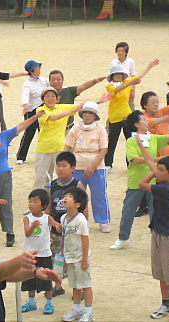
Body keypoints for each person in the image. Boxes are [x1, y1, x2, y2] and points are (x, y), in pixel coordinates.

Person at [110, 111, 169, 250]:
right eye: (143, 119)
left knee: (155, 213)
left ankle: (157, 238)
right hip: (136, 181)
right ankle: (123, 238)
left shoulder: (153, 138)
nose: (147, 121)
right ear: (136, 124)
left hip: (155, 181)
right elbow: (135, 159)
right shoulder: (131, 141)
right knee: (128, 211)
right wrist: (155, 160)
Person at [136, 138, 169, 322]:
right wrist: (143, 148)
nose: (157, 172)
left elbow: (142, 184)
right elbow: (151, 163)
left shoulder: (166, 190)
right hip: (157, 233)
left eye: (162, 170)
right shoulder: (162, 182)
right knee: (161, 273)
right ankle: (165, 303)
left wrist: (152, 174)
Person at [0, 109, 45, 247]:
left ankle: (9, 233)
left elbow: (21, 126)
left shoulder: (4, 135)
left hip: (5, 177)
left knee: (6, 205)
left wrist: (36, 116)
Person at [104, 59, 160, 172]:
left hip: (127, 117)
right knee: (112, 141)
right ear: (112, 76)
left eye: (120, 74)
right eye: (116, 74)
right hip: (114, 117)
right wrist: (130, 83)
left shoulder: (127, 84)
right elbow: (117, 90)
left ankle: (130, 162)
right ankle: (108, 164)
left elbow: (139, 76)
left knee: (130, 140)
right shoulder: (109, 86)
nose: (119, 76)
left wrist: (150, 65)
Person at [44, 152, 87, 296]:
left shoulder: (78, 186)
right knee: (56, 260)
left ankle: (79, 289)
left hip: (73, 232)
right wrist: (52, 226)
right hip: (57, 230)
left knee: (74, 261)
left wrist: (81, 228)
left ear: (73, 168)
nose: (60, 169)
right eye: (58, 166)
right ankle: (57, 286)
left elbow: (84, 211)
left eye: (64, 166)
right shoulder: (52, 185)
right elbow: (48, 209)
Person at [64, 102, 111, 232]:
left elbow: (103, 149)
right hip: (77, 167)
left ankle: (103, 220)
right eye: (85, 113)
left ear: (95, 116)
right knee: (76, 195)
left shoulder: (101, 129)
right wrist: (67, 164)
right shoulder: (76, 129)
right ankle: (76, 220)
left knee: (99, 194)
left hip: (97, 168)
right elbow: (67, 147)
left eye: (90, 113)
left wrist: (93, 166)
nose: (87, 115)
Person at [32, 87, 83, 189]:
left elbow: (81, 106)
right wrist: (69, 112)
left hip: (59, 148)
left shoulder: (62, 107)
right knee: (41, 177)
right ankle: (39, 199)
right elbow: (54, 117)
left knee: (63, 174)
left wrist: (99, 101)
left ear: (57, 99)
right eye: (47, 96)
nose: (50, 99)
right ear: (43, 99)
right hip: (44, 149)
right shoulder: (40, 110)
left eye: (52, 96)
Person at [21, 189, 61, 315]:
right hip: (30, 254)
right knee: (29, 280)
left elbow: (55, 224)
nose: (31, 204)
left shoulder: (47, 218)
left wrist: (58, 226)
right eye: (30, 201)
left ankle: (49, 303)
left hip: (44, 254)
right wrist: (33, 226)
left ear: (43, 205)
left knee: (46, 280)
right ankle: (31, 302)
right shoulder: (27, 218)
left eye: (35, 201)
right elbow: (27, 233)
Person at [60, 187, 94, 322]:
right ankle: (76, 310)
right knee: (74, 285)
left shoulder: (81, 220)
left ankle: (88, 312)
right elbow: (64, 236)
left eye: (70, 197)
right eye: (65, 196)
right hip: (70, 258)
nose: (65, 198)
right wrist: (63, 253)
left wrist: (85, 259)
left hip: (81, 258)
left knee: (85, 284)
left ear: (77, 204)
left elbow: (85, 240)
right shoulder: (63, 218)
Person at [16, 60, 50, 164]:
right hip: (31, 111)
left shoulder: (43, 80)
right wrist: (25, 104)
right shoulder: (27, 84)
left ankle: (45, 154)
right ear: (32, 70)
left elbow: (51, 88)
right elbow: (25, 95)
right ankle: (20, 157)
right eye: (37, 67)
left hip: (43, 109)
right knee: (29, 133)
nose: (39, 69)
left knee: (43, 132)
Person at [110, 41, 136, 110]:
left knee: (130, 108)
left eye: (122, 51)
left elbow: (133, 76)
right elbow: (110, 77)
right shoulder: (113, 62)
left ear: (126, 52)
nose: (120, 52)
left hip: (128, 89)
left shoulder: (130, 62)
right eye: (118, 51)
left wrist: (133, 91)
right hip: (116, 89)